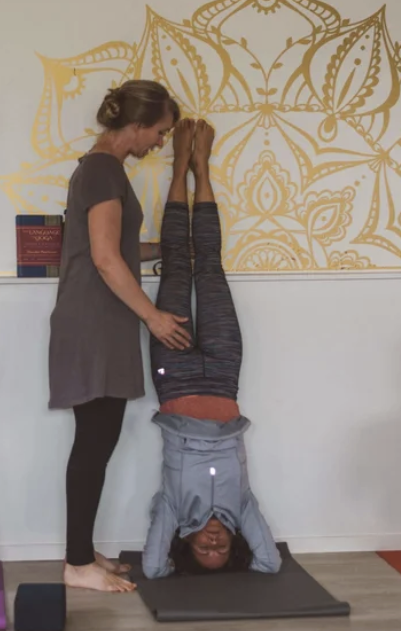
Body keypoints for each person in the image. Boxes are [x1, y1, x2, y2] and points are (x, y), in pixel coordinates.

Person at [47, 79, 191, 593]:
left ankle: (83, 554)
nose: (159, 142)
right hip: (94, 321)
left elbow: (109, 248)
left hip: (97, 318)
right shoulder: (104, 169)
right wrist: (153, 317)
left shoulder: (99, 169)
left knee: (98, 438)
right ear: (136, 125)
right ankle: (76, 564)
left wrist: (160, 248)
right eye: (159, 131)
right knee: (93, 441)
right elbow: (105, 261)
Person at [140, 119, 281, 579]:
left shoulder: (172, 511)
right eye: (223, 552)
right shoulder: (244, 510)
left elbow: (154, 568)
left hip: (175, 378)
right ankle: (202, 168)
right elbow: (269, 562)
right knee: (212, 269)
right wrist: (245, 548)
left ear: (187, 545)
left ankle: (180, 166)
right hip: (223, 377)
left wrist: (175, 546)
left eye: (206, 553)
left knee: (178, 267)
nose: (215, 544)